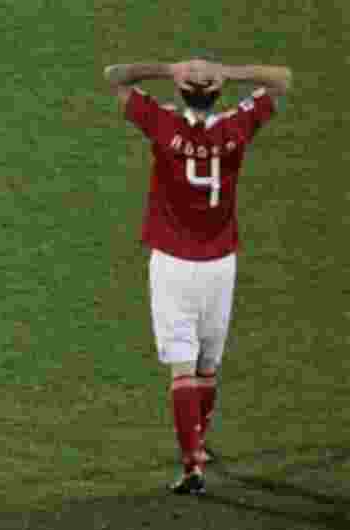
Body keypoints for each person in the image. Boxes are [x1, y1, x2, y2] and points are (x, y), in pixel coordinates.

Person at [104, 57, 292, 493]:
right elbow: (282, 80)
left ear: (183, 92)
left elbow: (115, 76)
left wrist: (168, 68)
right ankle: (200, 442)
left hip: (172, 262)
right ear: (217, 93)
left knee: (182, 368)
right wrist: (229, 71)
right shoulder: (236, 127)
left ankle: (192, 464)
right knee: (207, 365)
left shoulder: (164, 125)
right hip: (220, 262)